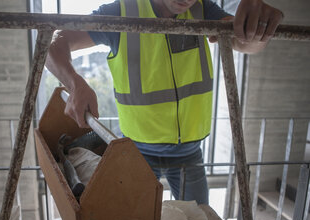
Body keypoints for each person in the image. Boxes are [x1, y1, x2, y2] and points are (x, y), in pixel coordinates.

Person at [45, 0, 283, 204]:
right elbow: (53, 41)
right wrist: (75, 83)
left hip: (190, 152)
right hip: (139, 151)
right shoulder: (122, 11)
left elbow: (244, 44)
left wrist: (257, 30)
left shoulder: (202, 9)